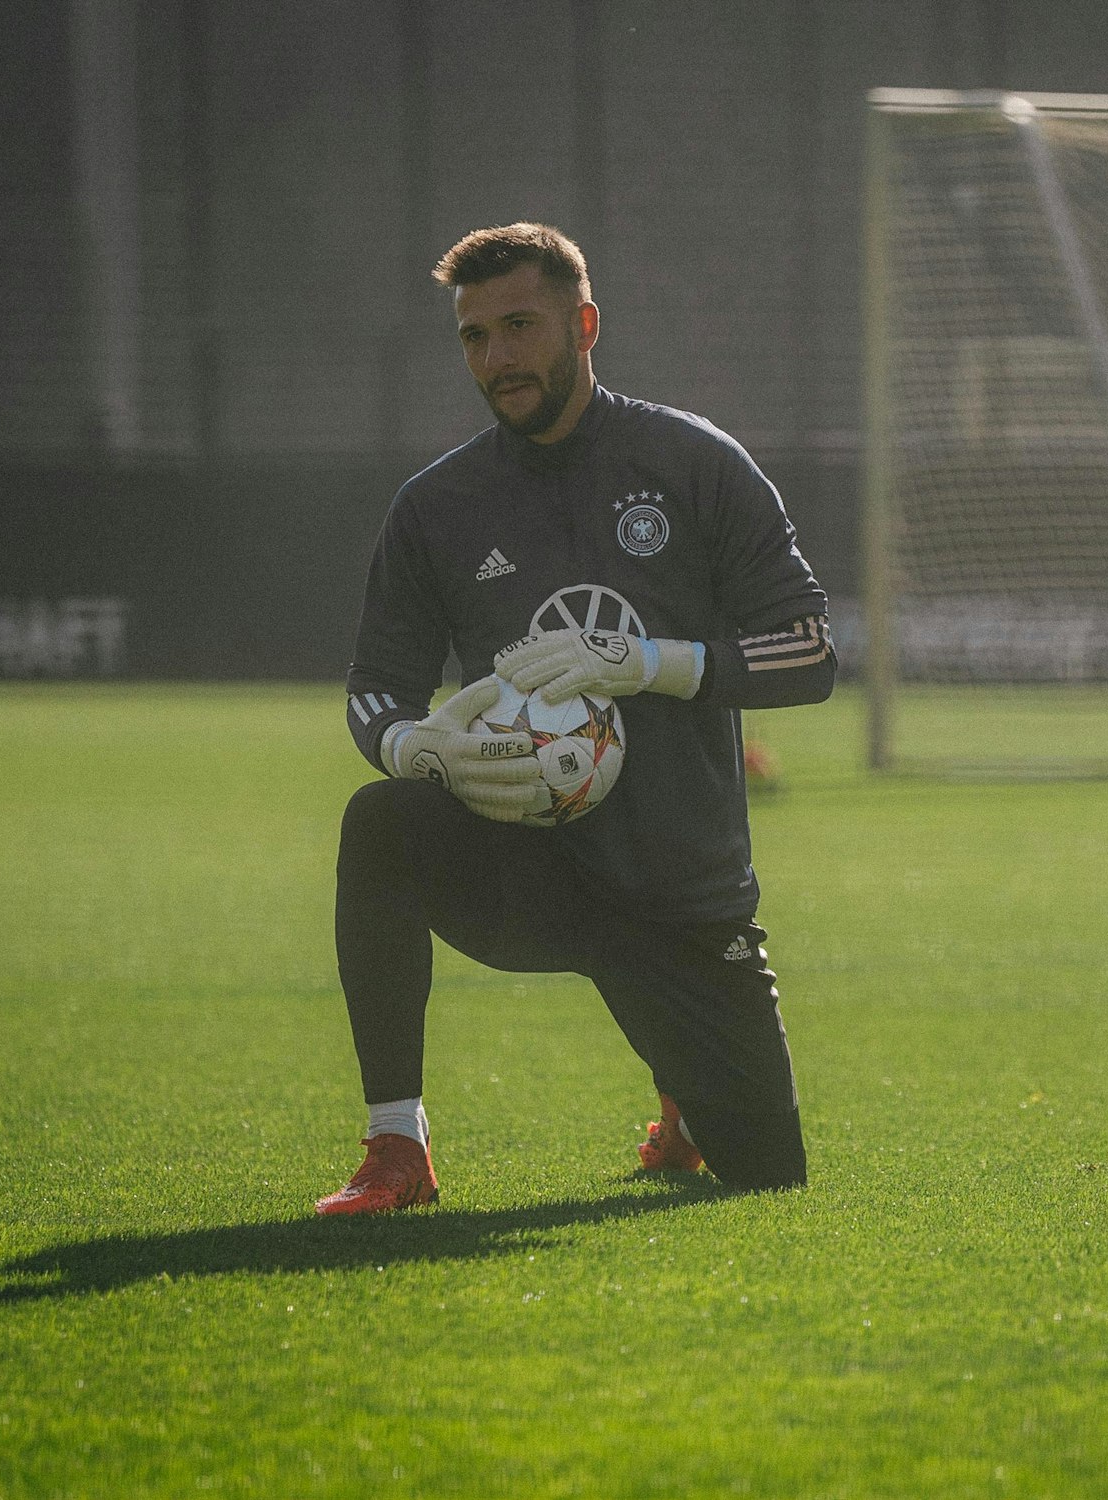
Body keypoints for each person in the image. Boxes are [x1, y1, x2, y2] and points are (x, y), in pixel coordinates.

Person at [316, 222, 834, 1214]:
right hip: (528, 871)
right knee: (378, 824)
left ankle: (684, 1091)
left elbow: (807, 655)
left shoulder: (694, 465)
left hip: (677, 889)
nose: (497, 357)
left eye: (519, 326)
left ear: (583, 324)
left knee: (765, 1182)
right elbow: (376, 683)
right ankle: (395, 1149)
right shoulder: (436, 507)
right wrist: (408, 742)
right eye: (475, 337)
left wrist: (646, 663)